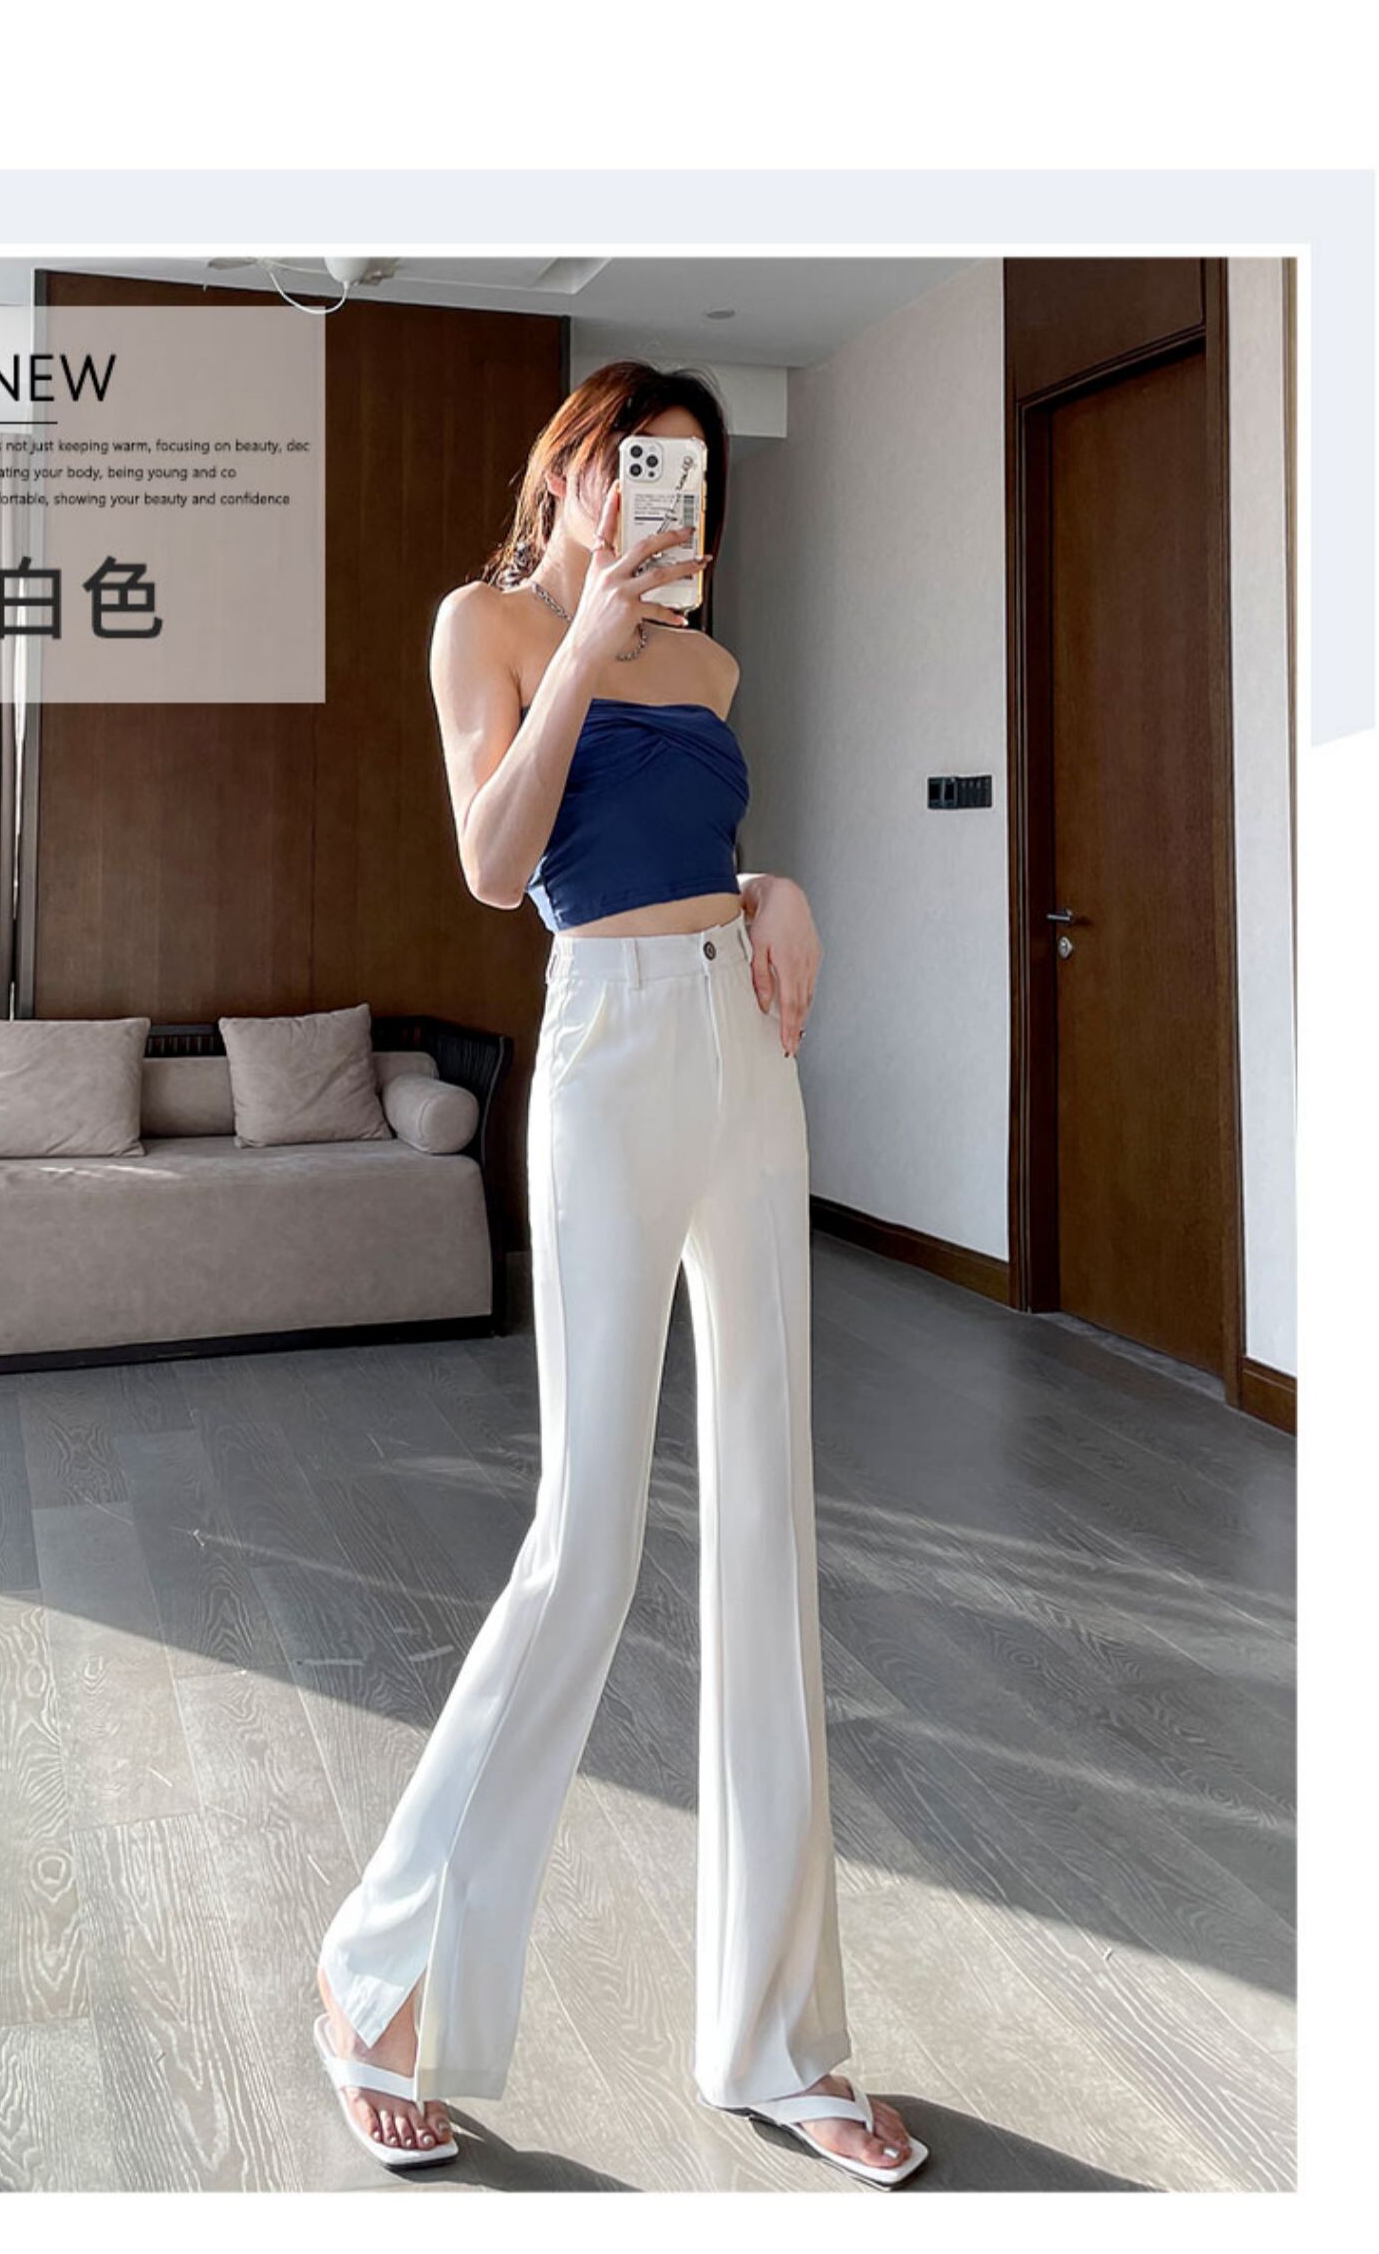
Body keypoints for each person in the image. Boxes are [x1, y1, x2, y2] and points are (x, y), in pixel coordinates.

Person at [312, 361, 926, 2190]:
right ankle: (378, 1978)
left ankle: (782, 2039)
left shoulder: (715, 666)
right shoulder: (485, 623)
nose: (657, 490)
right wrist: (581, 644)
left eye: (684, 473)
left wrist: (777, 891)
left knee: (769, 1525)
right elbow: (498, 864)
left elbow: (701, 860)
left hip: (746, 1055)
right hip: (605, 1053)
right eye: (627, 460)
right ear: (567, 470)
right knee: (584, 1541)